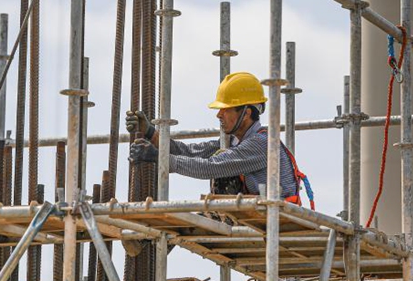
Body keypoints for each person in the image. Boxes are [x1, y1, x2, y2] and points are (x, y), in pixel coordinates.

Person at [127, 71, 314, 208]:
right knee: (221, 155)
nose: (219, 115)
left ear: (246, 113)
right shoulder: (234, 141)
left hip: (276, 214)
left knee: (221, 160)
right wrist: (151, 133)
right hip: (258, 211)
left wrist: (159, 159)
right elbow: (188, 152)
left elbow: (211, 166)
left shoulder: (262, 144)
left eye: (226, 109)